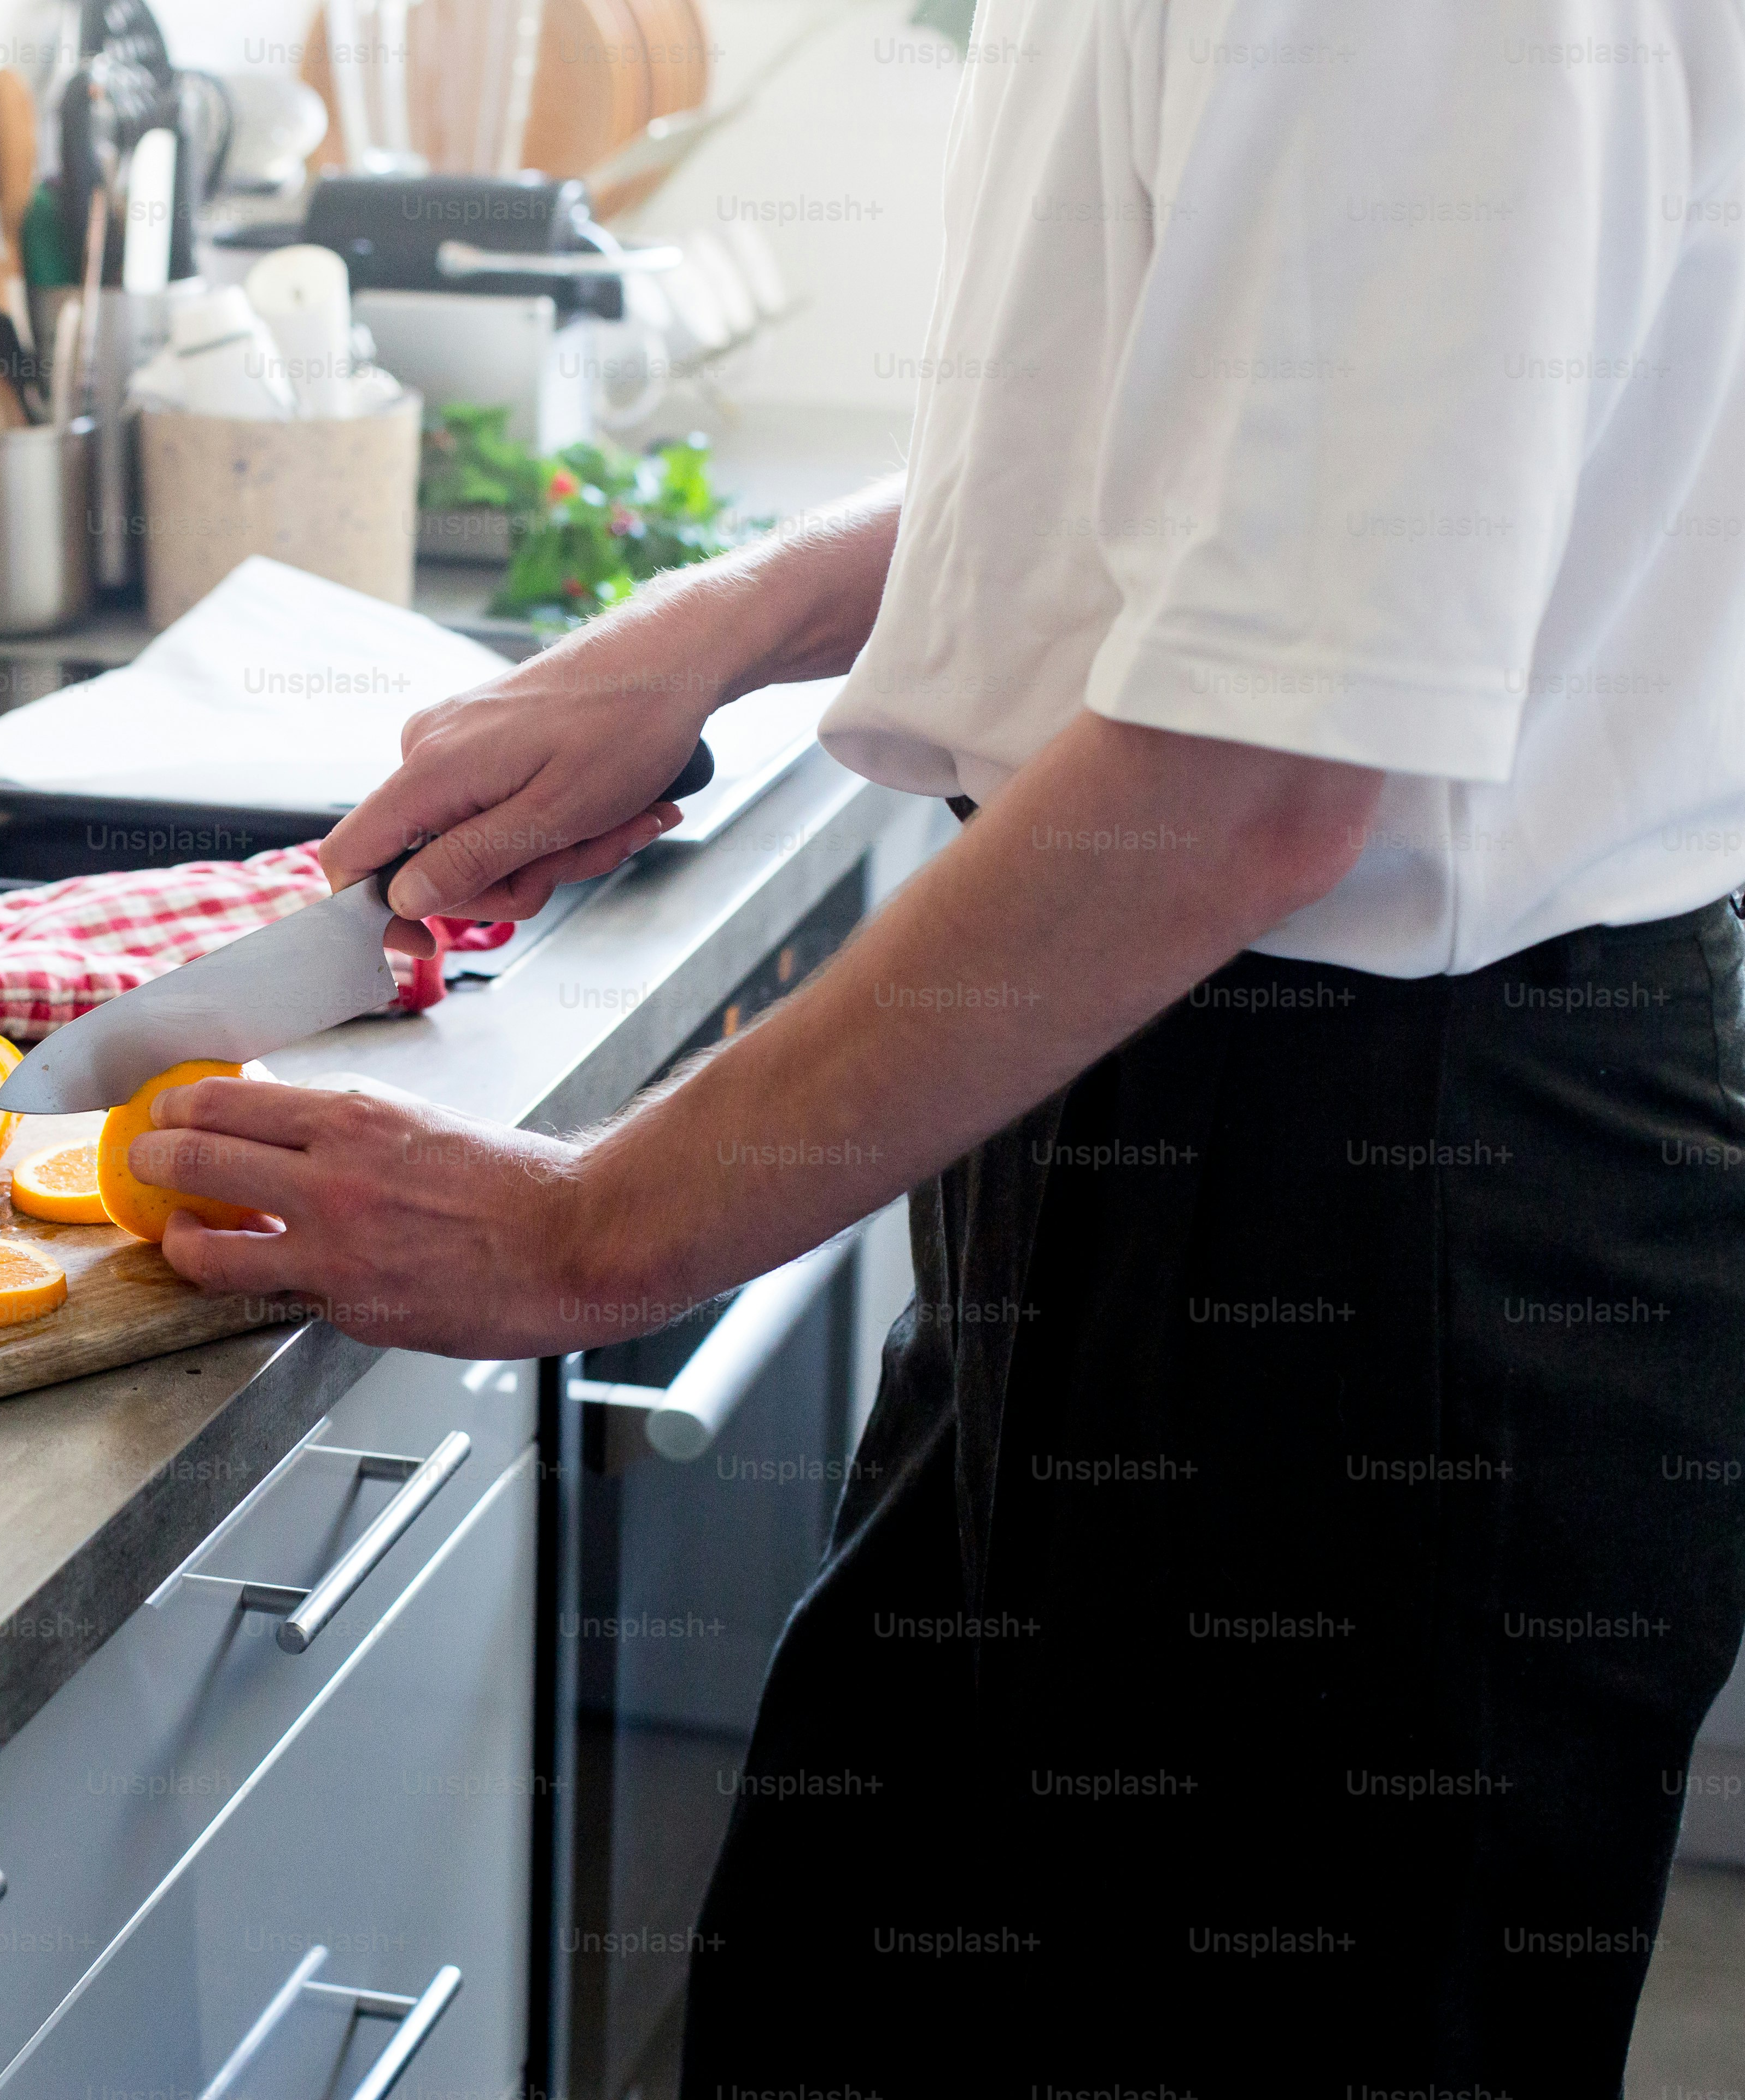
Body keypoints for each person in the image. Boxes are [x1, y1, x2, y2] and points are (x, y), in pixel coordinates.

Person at [130, 4, 1745, 2087]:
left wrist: (584, 1231)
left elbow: (1257, 768)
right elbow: (1207, 466)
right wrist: (724, 623)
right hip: (1140, 1120)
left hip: (1388, 1236)